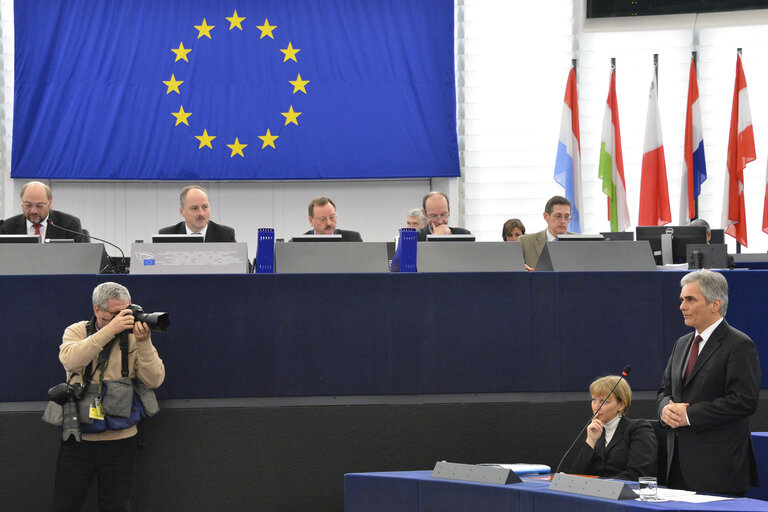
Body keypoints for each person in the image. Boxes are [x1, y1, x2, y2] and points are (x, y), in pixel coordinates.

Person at [50, 282, 165, 511]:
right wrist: (109, 331)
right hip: (79, 439)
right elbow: (71, 360)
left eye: (126, 311)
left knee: (117, 506)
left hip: (122, 441)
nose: (122, 318)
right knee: (64, 504)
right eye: (114, 313)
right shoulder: (77, 331)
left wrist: (144, 342)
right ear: (96, 310)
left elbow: (155, 380)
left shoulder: (133, 337)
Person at [657, 269, 760, 496]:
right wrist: (665, 409)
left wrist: (689, 415)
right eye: (682, 299)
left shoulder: (739, 345)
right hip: (677, 466)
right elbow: (665, 390)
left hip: (718, 470)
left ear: (715, 304)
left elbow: (744, 401)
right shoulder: (682, 343)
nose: (682, 306)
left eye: (690, 299)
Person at [565, 375, 656, 480]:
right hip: (596, 492)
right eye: (594, 400)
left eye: (604, 402)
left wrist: (601, 485)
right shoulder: (595, 431)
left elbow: (637, 474)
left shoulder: (638, 429)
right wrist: (591, 440)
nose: (596, 406)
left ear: (621, 405)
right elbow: (576, 476)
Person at [0, 181, 86, 242]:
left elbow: (78, 261)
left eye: (39, 205)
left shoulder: (69, 225)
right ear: (22, 202)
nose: (33, 211)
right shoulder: (7, 228)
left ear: (50, 203)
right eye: (28, 205)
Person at [159, 185, 236, 242]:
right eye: (194, 208)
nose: (201, 213)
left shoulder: (225, 235)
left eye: (205, 207)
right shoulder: (167, 235)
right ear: (182, 211)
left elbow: (243, 262)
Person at [518, 195, 573, 270]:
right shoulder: (525, 242)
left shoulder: (580, 242)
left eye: (567, 217)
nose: (563, 221)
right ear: (546, 216)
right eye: (558, 216)